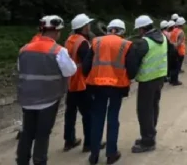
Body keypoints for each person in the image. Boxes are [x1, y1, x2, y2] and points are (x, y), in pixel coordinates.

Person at [16, 15, 77, 165]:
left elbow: (20, 69)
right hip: (48, 99)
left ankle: (22, 161)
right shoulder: (58, 51)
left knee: (27, 133)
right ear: (56, 32)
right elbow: (70, 71)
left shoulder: (24, 49)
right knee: (42, 134)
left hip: (27, 99)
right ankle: (39, 161)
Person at [82, 19, 132, 165]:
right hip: (117, 86)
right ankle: (111, 154)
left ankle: (94, 155)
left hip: (97, 85)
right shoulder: (126, 44)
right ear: (122, 31)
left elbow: (86, 66)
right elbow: (132, 69)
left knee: (97, 118)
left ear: (109, 29)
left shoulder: (96, 42)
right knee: (113, 118)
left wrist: (90, 78)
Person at [125, 15, 168, 154]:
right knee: (154, 107)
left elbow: (132, 63)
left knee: (144, 110)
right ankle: (150, 134)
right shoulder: (163, 38)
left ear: (143, 29)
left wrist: (129, 77)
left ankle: (147, 141)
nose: (138, 32)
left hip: (147, 80)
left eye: (139, 29)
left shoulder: (143, 43)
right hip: (159, 77)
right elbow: (171, 53)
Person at [63, 13, 98, 153]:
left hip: (70, 82)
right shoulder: (83, 42)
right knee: (88, 114)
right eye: (88, 25)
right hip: (82, 83)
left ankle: (69, 140)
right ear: (84, 27)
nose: (89, 27)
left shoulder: (69, 40)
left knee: (70, 113)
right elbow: (87, 63)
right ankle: (89, 143)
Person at [168, 17, 186, 85]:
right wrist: (176, 46)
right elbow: (179, 43)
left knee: (173, 66)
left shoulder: (173, 31)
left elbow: (170, 41)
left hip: (173, 51)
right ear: (181, 24)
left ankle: (171, 80)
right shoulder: (181, 32)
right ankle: (175, 81)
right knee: (177, 67)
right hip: (179, 51)